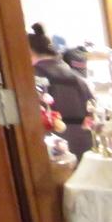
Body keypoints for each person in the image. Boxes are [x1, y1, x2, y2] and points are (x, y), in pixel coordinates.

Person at [27, 23, 93, 158]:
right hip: (85, 145)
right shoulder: (78, 78)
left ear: (29, 51)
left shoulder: (33, 77)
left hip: (54, 147)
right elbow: (92, 113)